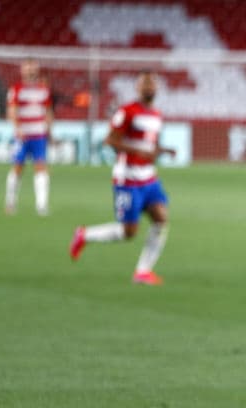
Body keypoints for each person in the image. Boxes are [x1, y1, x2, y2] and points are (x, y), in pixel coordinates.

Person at [69, 71, 174, 285]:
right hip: (128, 179)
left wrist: (162, 150)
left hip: (149, 178)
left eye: (152, 84)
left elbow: (148, 144)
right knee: (129, 232)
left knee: (161, 219)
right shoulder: (126, 112)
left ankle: (143, 271)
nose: (149, 87)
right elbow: (110, 140)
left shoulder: (156, 114)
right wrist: (139, 152)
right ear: (137, 89)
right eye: (144, 84)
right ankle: (84, 234)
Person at [4, 60, 52, 216]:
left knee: (41, 168)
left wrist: (49, 130)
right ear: (22, 70)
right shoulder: (16, 89)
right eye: (28, 67)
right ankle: (10, 202)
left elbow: (48, 111)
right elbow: (12, 111)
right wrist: (17, 129)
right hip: (23, 136)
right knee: (18, 168)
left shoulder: (44, 90)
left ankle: (42, 205)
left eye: (33, 67)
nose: (31, 70)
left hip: (39, 135)